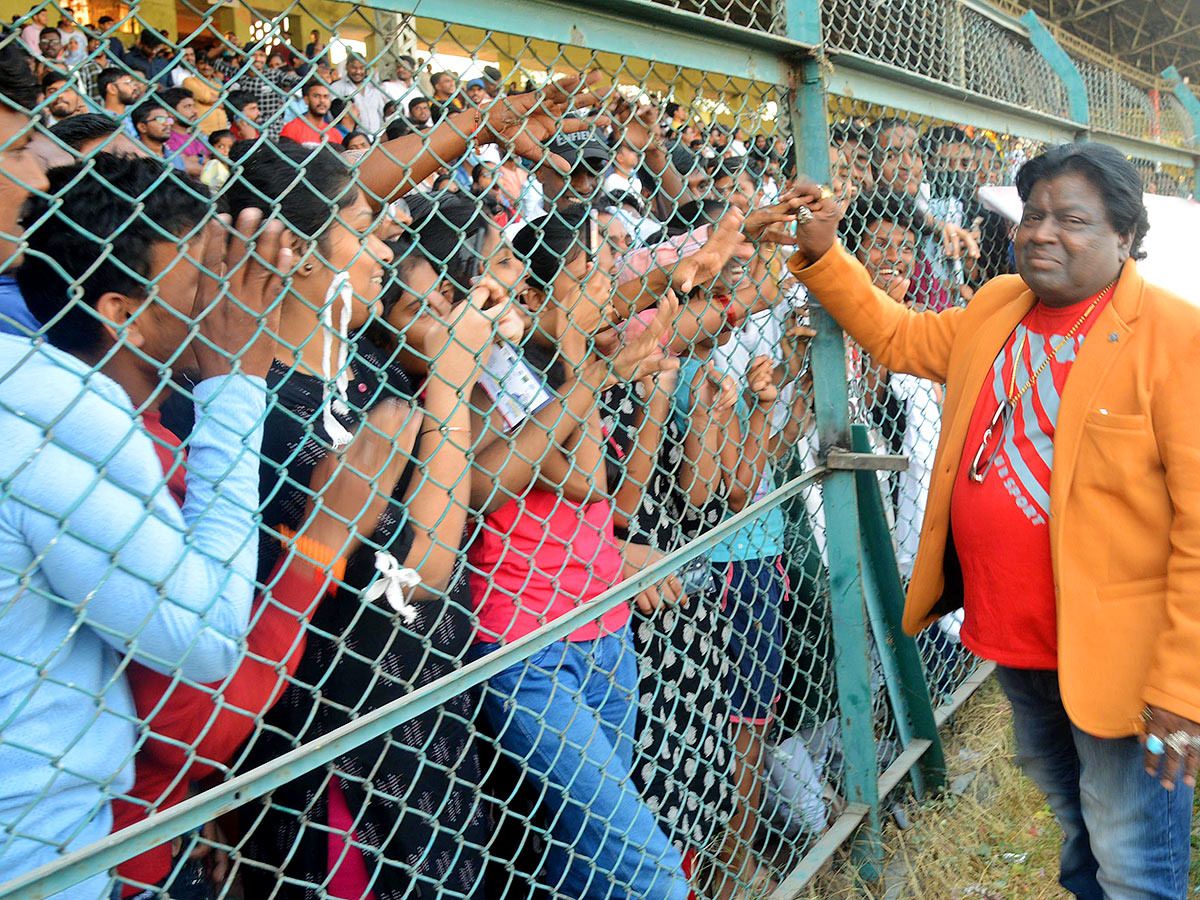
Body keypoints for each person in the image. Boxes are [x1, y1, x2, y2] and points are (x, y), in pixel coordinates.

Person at [787, 141, 1200, 899]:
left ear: (1125, 236)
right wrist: (825, 255)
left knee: (1133, 856)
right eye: (1033, 214)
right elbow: (900, 336)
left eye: (1072, 219)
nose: (1042, 232)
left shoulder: (1176, 338)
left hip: (1121, 664)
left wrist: (1184, 684)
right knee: (1075, 823)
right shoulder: (996, 308)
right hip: (1016, 640)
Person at [3, 152, 278, 899]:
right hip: (40, 860)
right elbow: (208, 641)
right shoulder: (55, 429)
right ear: (121, 312)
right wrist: (235, 387)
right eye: (201, 280)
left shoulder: (68, 406)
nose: (230, 299)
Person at [467, 204, 690, 900]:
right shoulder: (465, 385)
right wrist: (584, 376)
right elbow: (570, 476)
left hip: (604, 631)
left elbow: (584, 479)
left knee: (586, 856)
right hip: (530, 645)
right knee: (646, 867)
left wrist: (577, 362)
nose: (598, 278)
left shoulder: (540, 369)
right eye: (583, 267)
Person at [330, 54, 388, 136]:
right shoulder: (337, 87)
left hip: (378, 136)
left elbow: (381, 113)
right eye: (354, 68)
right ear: (346, 67)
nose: (358, 72)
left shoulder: (373, 87)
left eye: (361, 68)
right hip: (352, 138)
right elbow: (333, 116)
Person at [159, 86, 208, 176]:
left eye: (194, 106)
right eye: (188, 106)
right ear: (171, 112)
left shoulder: (200, 137)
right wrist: (202, 160)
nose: (195, 111)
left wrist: (195, 159)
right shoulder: (168, 139)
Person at [279, 80, 342, 145]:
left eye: (326, 96)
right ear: (306, 100)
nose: (322, 100)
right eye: (316, 96)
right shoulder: (292, 129)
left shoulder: (335, 133)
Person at [130, 100, 181, 167]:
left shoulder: (175, 158)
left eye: (168, 120)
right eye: (160, 119)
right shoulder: (132, 158)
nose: (167, 124)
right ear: (142, 127)